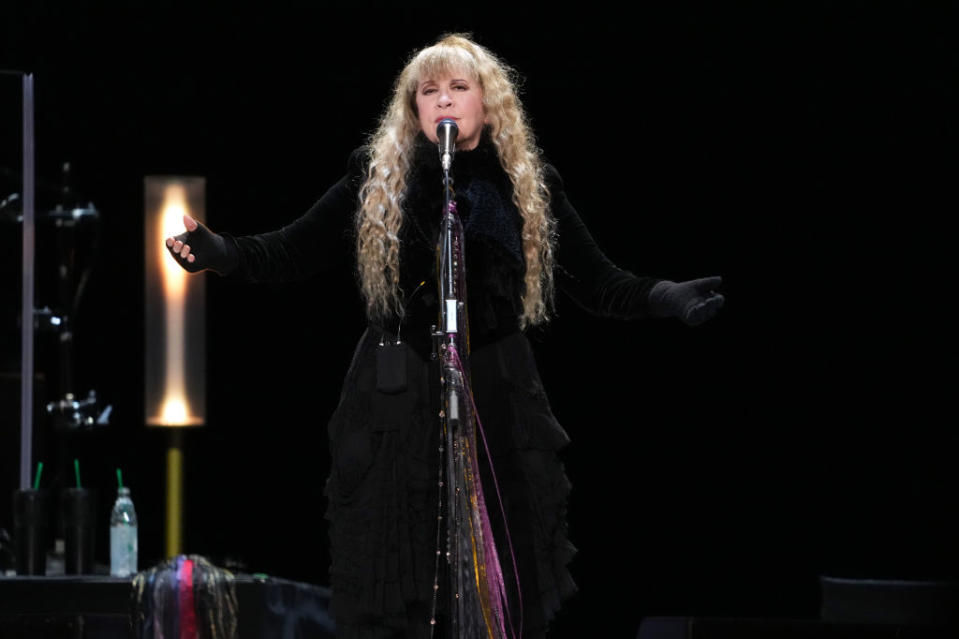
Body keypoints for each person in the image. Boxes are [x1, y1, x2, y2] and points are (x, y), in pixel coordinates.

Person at [166, 33, 724, 639]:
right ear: (413, 110)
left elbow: (599, 281)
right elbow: (290, 251)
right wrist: (218, 253)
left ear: (488, 102)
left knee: (502, 572)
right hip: (398, 391)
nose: (444, 102)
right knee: (400, 564)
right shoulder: (379, 176)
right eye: (428, 92)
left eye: (459, 87)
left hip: (496, 390)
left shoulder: (528, 184)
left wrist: (666, 295)